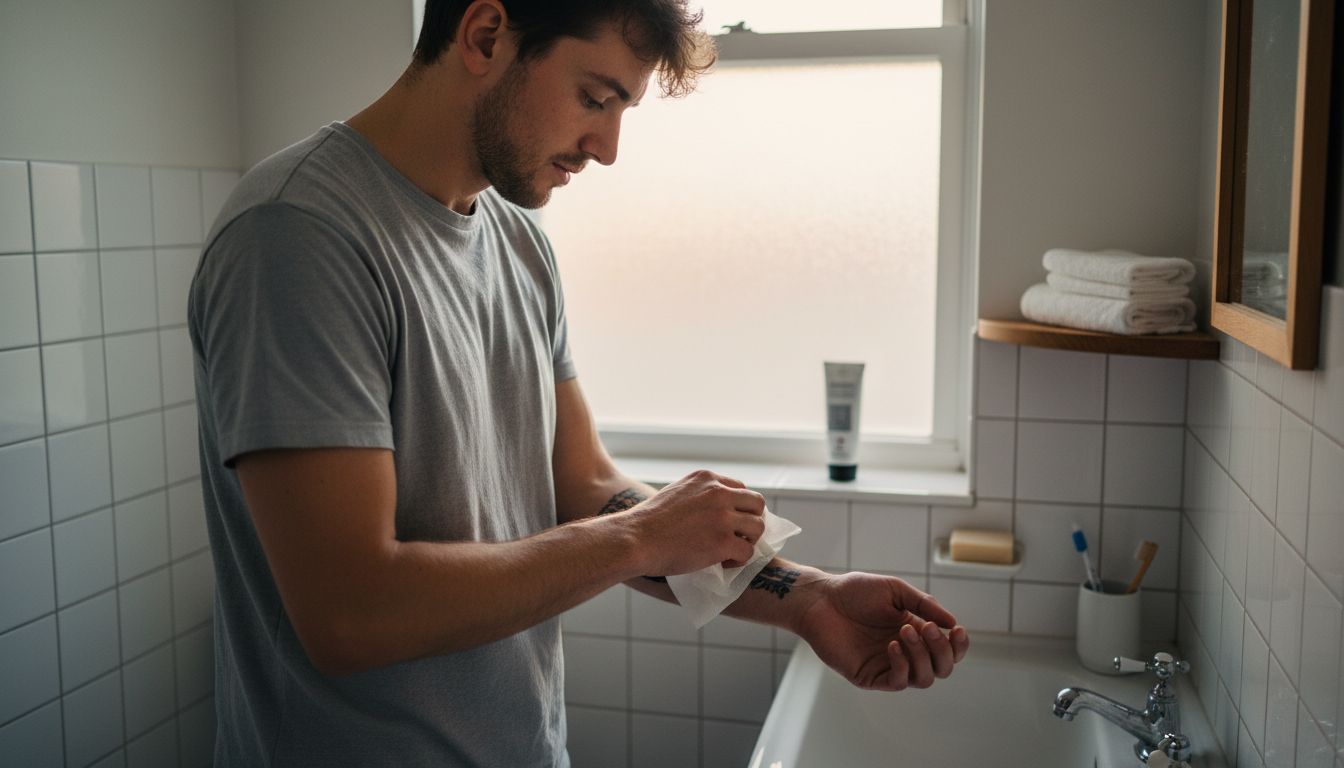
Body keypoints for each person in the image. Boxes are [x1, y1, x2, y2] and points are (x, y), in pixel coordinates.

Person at [188, 1, 971, 765]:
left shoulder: (518, 242)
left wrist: (808, 598)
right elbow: (350, 612)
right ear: (486, 34)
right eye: (595, 98)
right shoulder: (297, 235)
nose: (607, 147)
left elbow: (586, 485)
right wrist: (638, 538)